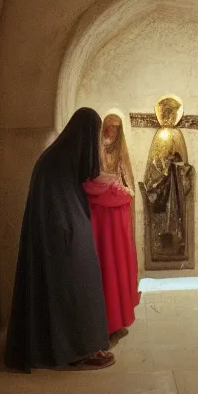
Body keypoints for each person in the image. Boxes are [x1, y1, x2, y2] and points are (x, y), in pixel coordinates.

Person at [5, 108, 115, 372]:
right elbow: (56, 210)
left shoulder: (60, 157)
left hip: (58, 233)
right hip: (58, 236)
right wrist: (74, 233)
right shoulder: (56, 160)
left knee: (79, 276)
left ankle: (79, 345)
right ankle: (76, 351)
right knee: (75, 281)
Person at [83, 113, 141, 337]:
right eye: (109, 127)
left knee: (115, 259)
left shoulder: (120, 152)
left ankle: (116, 315)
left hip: (115, 210)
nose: (112, 132)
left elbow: (126, 181)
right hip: (98, 211)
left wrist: (119, 189)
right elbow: (92, 176)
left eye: (116, 128)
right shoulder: (95, 149)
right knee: (102, 261)